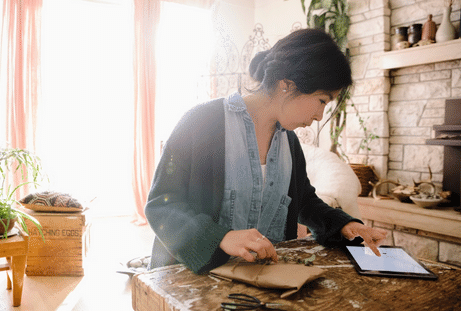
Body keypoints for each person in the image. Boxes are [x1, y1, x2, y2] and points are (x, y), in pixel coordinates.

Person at [145, 28, 387, 274]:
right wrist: (221, 237)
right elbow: (162, 204)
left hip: (261, 280)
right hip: (190, 282)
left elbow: (304, 201)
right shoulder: (200, 122)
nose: (319, 115)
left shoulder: (289, 142)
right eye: (322, 101)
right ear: (287, 84)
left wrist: (346, 225)